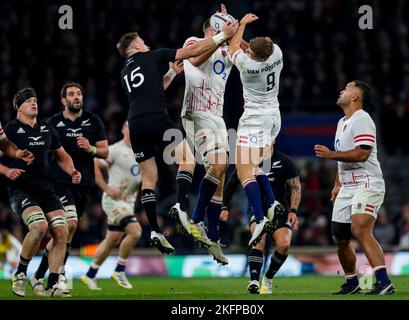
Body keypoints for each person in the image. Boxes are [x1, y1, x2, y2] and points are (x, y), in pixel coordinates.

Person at [116, 22, 238, 254]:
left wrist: (172, 73)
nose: (147, 44)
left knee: (149, 177)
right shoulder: (154, 55)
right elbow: (191, 52)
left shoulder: (125, 72)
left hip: (135, 123)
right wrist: (224, 34)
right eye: (143, 41)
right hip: (156, 118)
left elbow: (154, 87)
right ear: (135, 45)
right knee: (187, 160)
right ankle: (181, 208)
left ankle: (154, 230)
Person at [170, 4, 248, 265]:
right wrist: (221, 35)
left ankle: (212, 235)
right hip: (196, 112)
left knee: (221, 173)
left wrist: (236, 28)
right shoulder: (194, 41)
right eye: (221, 27)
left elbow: (247, 51)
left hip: (217, 116)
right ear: (212, 29)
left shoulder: (226, 48)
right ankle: (194, 219)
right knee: (221, 164)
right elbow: (195, 60)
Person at [315, 80, 395, 295]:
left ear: (355, 97)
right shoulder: (342, 122)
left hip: (367, 182)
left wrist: (330, 154)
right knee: (339, 237)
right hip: (347, 186)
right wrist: (337, 183)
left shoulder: (362, 119)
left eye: (348, 88)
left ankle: (383, 282)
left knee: (359, 228)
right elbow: (344, 159)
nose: (342, 90)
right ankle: (352, 282)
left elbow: (362, 153)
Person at [0, 88, 81, 297]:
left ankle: (52, 283)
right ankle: (20, 274)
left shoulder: (47, 129)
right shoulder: (10, 128)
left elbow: (62, 156)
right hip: (21, 189)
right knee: (39, 226)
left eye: (35, 100)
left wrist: (72, 170)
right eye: (28, 101)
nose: (34, 104)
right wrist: (8, 170)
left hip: (46, 188)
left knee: (63, 231)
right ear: (18, 107)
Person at [31, 82, 108, 295]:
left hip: (84, 185)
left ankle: (39, 276)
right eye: (72, 94)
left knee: (65, 233)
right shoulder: (53, 123)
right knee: (70, 224)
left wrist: (91, 148)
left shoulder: (93, 121)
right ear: (63, 100)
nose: (77, 97)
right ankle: (59, 276)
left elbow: (105, 152)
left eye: (79, 93)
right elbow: (42, 151)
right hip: (59, 183)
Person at [228, 14, 287, 247]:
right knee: (255, 165)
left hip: (255, 120)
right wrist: (239, 35)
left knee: (244, 170)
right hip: (274, 118)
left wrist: (240, 25)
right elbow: (246, 48)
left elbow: (235, 48)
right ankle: (272, 203)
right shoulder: (277, 53)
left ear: (253, 55)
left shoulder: (248, 66)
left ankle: (261, 218)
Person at [221, 143, 301, 294]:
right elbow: (230, 185)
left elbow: (296, 187)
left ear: (274, 138)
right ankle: (254, 281)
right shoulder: (247, 161)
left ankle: (268, 277)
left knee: (284, 245)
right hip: (257, 209)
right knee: (259, 242)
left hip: (279, 210)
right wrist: (224, 207)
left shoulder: (285, 161)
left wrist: (293, 211)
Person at [81, 121, 141, 290]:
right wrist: (107, 188)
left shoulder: (140, 152)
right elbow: (95, 165)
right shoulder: (115, 150)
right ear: (123, 130)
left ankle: (90, 275)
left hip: (128, 203)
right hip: (113, 201)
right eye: (129, 126)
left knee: (111, 240)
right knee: (135, 231)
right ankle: (120, 270)